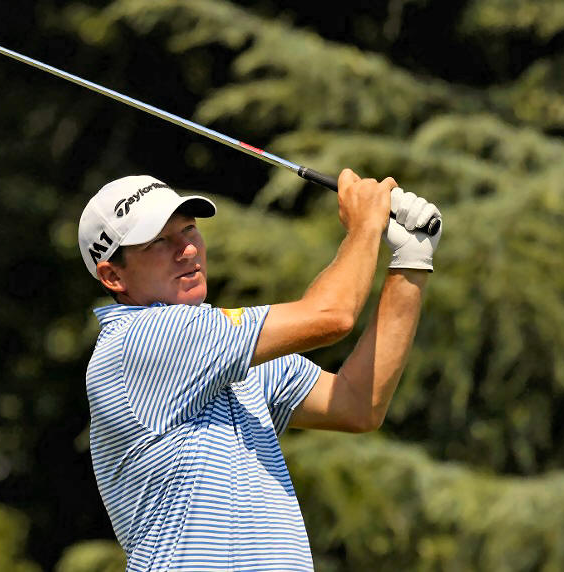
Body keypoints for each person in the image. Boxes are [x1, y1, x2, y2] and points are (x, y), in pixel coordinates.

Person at [77, 169, 441, 571]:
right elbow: (331, 316)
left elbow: (357, 404)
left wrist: (411, 262)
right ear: (113, 276)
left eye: (189, 229)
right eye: (159, 242)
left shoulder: (223, 354)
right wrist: (365, 225)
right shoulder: (141, 340)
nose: (188, 249)